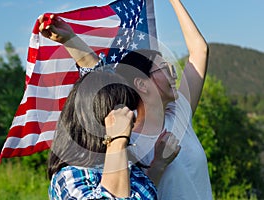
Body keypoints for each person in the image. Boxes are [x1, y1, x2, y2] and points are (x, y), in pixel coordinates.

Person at [39, 0, 212, 199]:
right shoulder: (126, 138)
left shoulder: (179, 114)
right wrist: (122, 143)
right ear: (142, 83)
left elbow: (200, 51)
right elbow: (99, 88)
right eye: (165, 69)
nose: (174, 75)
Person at [47, 70, 158, 199]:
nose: (131, 117)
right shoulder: (70, 176)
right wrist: (117, 140)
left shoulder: (133, 171)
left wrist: (158, 167)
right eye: (123, 109)